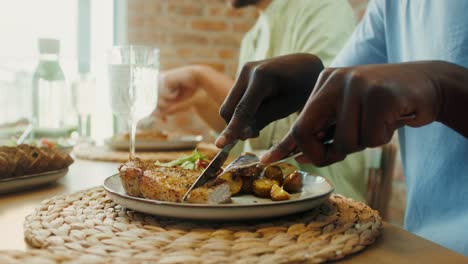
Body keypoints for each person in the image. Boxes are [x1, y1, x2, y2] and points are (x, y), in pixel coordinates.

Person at [215, 0, 468, 255]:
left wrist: (444, 90)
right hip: (425, 245)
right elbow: (344, 91)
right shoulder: (390, 5)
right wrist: (311, 85)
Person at [158, 0, 370, 201]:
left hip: (325, 199)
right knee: (188, 208)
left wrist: (202, 76)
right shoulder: (253, 38)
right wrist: (201, 100)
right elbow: (252, 141)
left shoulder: (324, 8)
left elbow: (312, 120)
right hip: (263, 206)